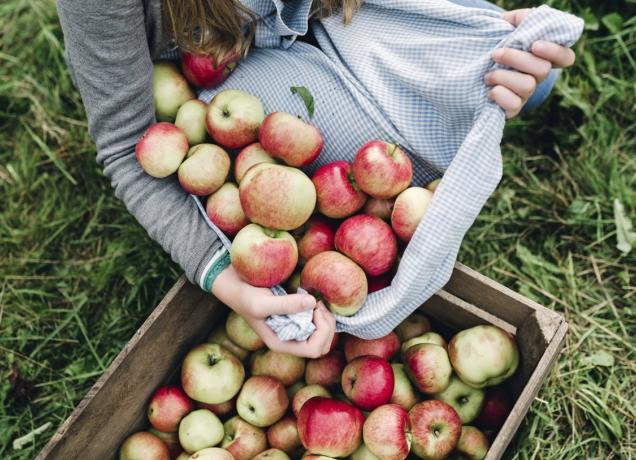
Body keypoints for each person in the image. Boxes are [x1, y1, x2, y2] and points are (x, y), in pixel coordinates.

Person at [55, 0, 575, 358]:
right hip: (222, 69)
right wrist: (225, 277)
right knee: (351, 183)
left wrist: (465, 30)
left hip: (330, 9)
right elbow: (127, 147)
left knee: (525, 74)